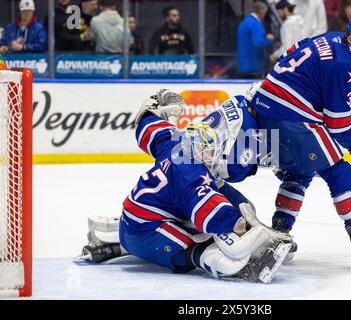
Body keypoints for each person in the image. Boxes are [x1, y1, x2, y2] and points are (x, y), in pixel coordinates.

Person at [79, 90, 293, 283]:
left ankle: (117, 238)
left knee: (230, 212)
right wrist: (244, 228)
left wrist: (154, 107)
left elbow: (147, 127)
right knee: (206, 249)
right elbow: (212, 215)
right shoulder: (192, 175)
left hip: (141, 216)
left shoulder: (175, 140)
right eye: (207, 150)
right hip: (146, 230)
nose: (210, 153)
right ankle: (183, 254)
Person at [249, 13, 351, 270]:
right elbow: (338, 123)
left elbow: (291, 52)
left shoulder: (329, 38)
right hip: (289, 116)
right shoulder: (344, 65)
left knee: (299, 171)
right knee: (340, 171)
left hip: (265, 106)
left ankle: (279, 235)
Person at [236, 1, 274, 79]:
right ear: (262, 12)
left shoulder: (245, 22)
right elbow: (258, 43)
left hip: (243, 64)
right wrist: (268, 39)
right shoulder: (256, 24)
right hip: (253, 65)